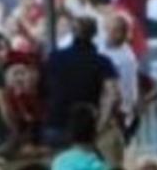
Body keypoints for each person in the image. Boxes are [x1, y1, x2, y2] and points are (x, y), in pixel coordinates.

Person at [42, 18, 117, 151]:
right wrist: (101, 124)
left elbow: (42, 88)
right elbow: (113, 95)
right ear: (94, 34)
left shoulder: (54, 57)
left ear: (72, 32)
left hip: (55, 123)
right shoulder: (102, 62)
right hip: (86, 126)